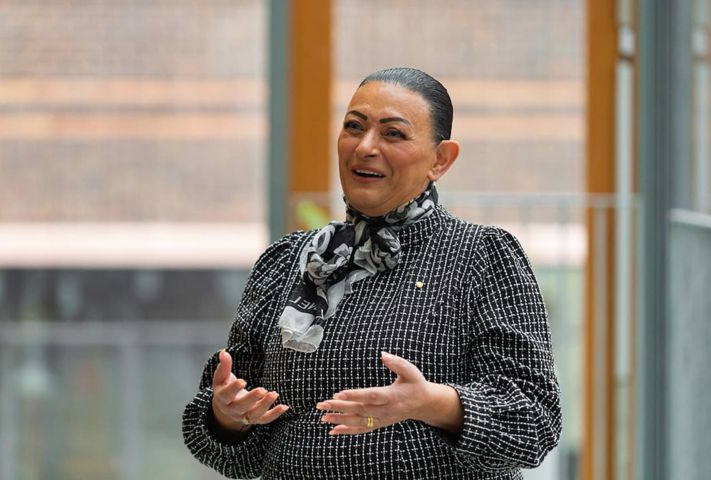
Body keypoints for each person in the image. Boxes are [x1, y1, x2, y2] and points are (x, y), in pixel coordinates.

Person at [182, 67, 561, 479]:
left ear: (441, 159)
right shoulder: (288, 260)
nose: (365, 147)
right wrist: (227, 415)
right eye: (353, 127)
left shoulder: (480, 255)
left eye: (393, 134)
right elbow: (230, 444)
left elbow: (535, 421)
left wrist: (432, 402)